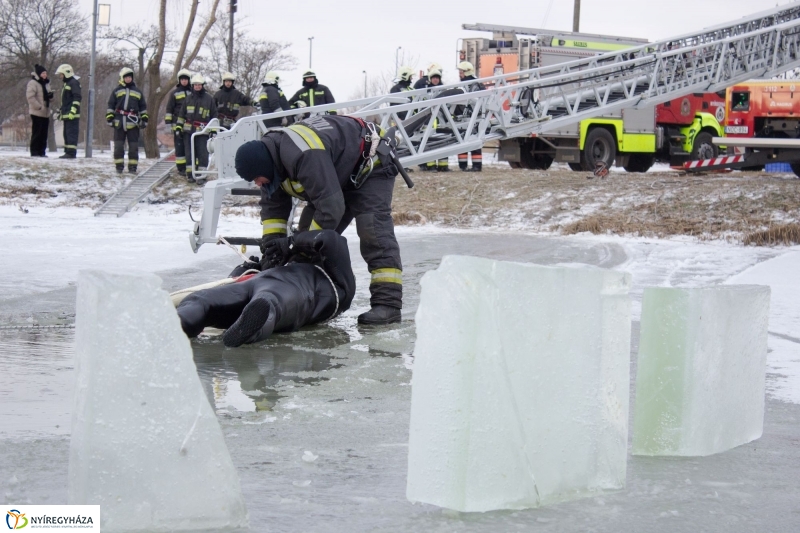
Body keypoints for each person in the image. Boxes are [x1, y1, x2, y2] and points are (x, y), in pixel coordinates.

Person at [233, 114, 403, 325]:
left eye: (256, 178)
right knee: (306, 232)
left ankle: (387, 305)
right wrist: (271, 253)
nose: (257, 184)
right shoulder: (271, 167)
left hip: (371, 164)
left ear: (263, 167)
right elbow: (273, 215)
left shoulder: (302, 155)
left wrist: (296, 244)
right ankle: (310, 300)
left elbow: (331, 208)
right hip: (337, 174)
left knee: (372, 231)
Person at [177, 229, 355, 347]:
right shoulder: (293, 262)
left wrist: (291, 243)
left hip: (296, 291)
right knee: (202, 299)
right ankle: (177, 325)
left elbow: (332, 239)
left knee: (269, 303)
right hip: (257, 283)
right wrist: (243, 271)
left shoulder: (341, 286)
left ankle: (247, 330)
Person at [106, 67, 148, 174]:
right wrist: (110, 117)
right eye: (126, 77)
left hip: (133, 123)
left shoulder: (138, 92)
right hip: (119, 122)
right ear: (122, 78)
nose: (128, 79)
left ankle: (133, 167)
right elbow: (111, 105)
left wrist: (144, 119)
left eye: (130, 77)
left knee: (133, 147)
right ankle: (119, 167)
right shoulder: (116, 91)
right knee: (119, 146)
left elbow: (143, 107)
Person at [179, 73, 217, 184]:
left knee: (203, 154)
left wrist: (213, 130)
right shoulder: (188, 99)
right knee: (189, 154)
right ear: (192, 85)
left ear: (202, 85)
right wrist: (178, 128)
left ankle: (202, 176)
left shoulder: (209, 99)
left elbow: (214, 115)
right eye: (195, 85)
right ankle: (190, 175)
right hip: (188, 131)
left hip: (203, 131)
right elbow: (182, 115)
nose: (197, 86)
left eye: (199, 85)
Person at [456, 61, 485, 172]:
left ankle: (476, 166)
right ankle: (463, 166)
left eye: (461, 71)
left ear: (467, 72)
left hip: (473, 117)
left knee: (473, 140)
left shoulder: (474, 85)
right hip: (466, 117)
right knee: (463, 140)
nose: (460, 74)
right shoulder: (471, 84)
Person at [165, 69, 192, 175]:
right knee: (179, 146)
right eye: (182, 79)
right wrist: (168, 123)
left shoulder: (193, 92)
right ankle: (181, 168)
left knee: (190, 145)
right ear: (179, 80)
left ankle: (191, 166)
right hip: (177, 124)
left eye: (186, 79)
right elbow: (169, 109)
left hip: (191, 124)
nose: (184, 81)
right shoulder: (174, 93)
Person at [422, 69, 450, 172]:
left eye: (437, 78)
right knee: (430, 144)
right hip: (429, 121)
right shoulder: (426, 91)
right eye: (433, 78)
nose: (435, 80)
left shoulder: (444, 90)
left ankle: (443, 166)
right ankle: (431, 166)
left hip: (441, 120)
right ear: (430, 79)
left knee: (444, 142)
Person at [55, 64, 81, 159]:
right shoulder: (68, 83)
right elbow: (66, 100)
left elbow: (77, 97)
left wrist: (73, 111)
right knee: (66, 134)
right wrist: (61, 112)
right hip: (67, 114)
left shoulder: (73, 83)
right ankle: (67, 152)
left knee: (71, 134)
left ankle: (71, 153)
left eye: (61, 74)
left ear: (66, 73)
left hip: (72, 115)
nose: (60, 76)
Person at [27, 64, 53, 157]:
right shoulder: (33, 83)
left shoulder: (46, 83)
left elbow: (48, 95)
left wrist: (50, 97)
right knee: (37, 133)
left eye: (45, 73)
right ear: (38, 74)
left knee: (44, 134)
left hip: (45, 112)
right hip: (37, 112)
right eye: (43, 73)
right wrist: (39, 107)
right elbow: (30, 97)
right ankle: (34, 152)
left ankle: (42, 152)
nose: (45, 75)